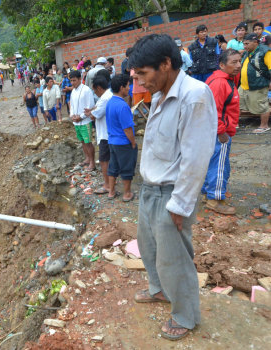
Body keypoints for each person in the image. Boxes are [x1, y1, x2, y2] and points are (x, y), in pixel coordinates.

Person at [129, 34, 217, 341]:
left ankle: (185, 315)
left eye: (143, 74)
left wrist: (181, 204)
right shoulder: (159, 94)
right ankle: (160, 291)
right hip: (151, 187)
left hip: (171, 193)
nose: (139, 82)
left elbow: (196, 157)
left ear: (166, 64)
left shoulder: (195, 96)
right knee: (149, 247)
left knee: (174, 258)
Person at [202, 49, 241, 215]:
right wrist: (221, 131)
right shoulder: (220, 83)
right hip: (219, 132)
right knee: (220, 165)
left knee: (211, 163)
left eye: (239, 61)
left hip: (215, 130)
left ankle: (208, 193)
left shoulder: (223, 79)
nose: (238, 65)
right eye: (234, 62)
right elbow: (213, 110)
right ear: (222, 65)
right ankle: (215, 199)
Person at [105, 74, 137, 201]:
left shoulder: (110, 102)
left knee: (113, 167)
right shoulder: (123, 106)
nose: (129, 88)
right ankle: (127, 194)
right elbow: (127, 128)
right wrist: (133, 143)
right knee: (127, 168)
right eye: (128, 86)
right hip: (123, 142)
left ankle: (111, 192)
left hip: (112, 141)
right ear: (121, 87)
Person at [86, 75, 114, 195]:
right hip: (109, 132)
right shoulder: (109, 95)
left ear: (98, 88)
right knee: (108, 159)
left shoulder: (104, 99)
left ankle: (108, 185)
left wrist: (90, 112)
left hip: (105, 135)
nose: (95, 93)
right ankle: (110, 182)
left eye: (94, 90)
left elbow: (94, 115)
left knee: (104, 160)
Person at [239, 32, 271, 133]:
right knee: (236, 104)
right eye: (244, 44)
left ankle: (264, 126)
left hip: (259, 84)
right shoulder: (248, 51)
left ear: (255, 42)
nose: (245, 46)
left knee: (262, 106)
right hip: (244, 86)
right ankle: (234, 124)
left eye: (247, 44)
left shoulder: (265, 51)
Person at [69, 70, 96, 170]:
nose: (72, 83)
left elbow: (91, 106)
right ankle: (87, 159)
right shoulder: (73, 91)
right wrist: (72, 116)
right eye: (71, 80)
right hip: (76, 122)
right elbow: (71, 105)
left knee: (88, 142)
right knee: (83, 141)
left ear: (80, 79)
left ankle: (92, 163)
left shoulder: (86, 90)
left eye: (74, 80)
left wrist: (81, 117)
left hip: (85, 121)